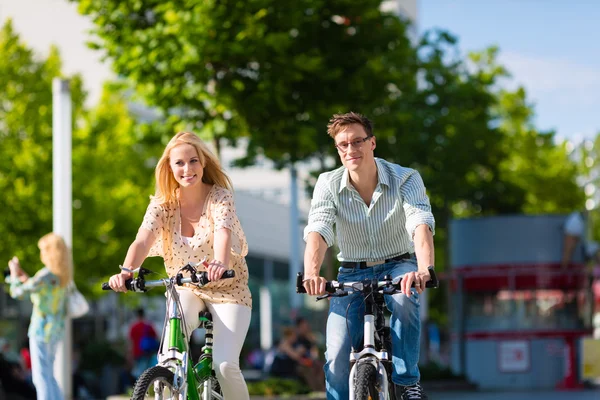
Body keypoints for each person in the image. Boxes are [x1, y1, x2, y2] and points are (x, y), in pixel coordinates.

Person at [108, 131, 252, 400]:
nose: (188, 169)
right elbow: (142, 240)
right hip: (185, 286)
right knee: (169, 351)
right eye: (180, 163)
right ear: (169, 167)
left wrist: (220, 262)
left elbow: (223, 231)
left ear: (204, 163)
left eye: (194, 161)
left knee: (224, 366)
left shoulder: (220, 197)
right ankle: (173, 384)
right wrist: (126, 272)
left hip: (228, 289)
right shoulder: (162, 204)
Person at [302, 112, 435, 400]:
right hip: (351, 273)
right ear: (337, 150)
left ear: (372, 142)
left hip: (399, 265)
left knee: (403, 299)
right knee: (336, 354)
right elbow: (319, 228)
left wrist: (424, 269)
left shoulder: (406, 178)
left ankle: (407, 382)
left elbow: (420, 224)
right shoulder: (327, 183)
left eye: (357, 141)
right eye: (343, 145)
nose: (351, 149)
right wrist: (312, 274)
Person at [5, 232, 71, 400]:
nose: (41, 253)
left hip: (41, 330)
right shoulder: (61, 277)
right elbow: (37, 292)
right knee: (49, 375)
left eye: (43, 250)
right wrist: (24, 277)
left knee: (40, 377)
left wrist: (13, 273)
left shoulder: (46, 275)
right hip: (55, 331)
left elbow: (18, 292)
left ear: (50, 252)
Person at [129, 308, 158, 379]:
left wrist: (130, 355)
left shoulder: (133, 327)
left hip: (137, 353)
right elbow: (156, 338)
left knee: (139, 373)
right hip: (147, 353)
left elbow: (131, 342)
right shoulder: (148, 326)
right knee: (147, 372)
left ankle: (140, 388)